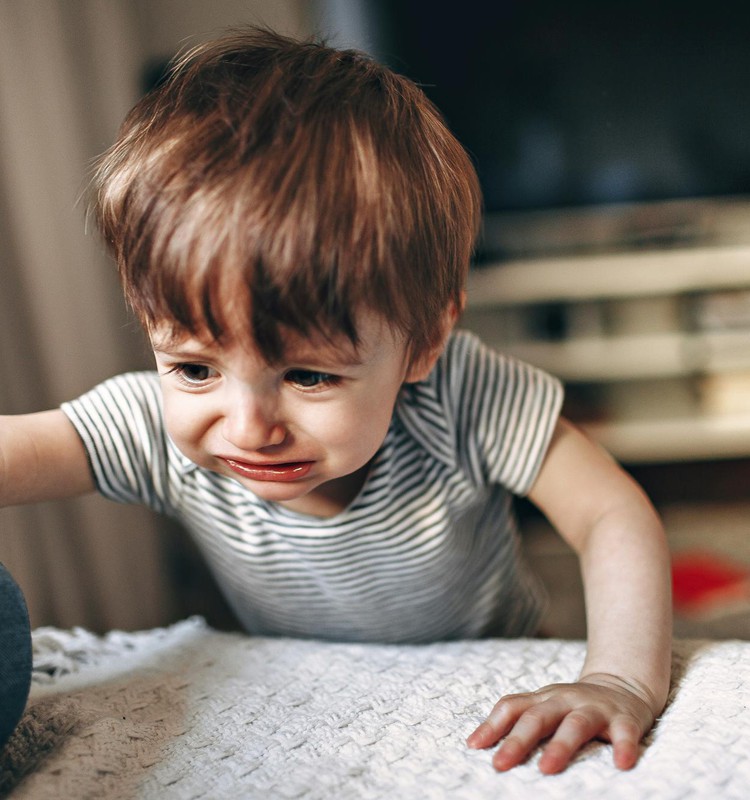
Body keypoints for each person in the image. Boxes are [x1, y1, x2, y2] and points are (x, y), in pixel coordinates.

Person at [0, 25, 672, 774]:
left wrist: (616, 679)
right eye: (194, 367)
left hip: (494, 666)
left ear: (423, 343)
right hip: (311, 685)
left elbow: (609, 511)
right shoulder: (153, 425)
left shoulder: (461, 396)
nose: (247, 426)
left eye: (308, 376)